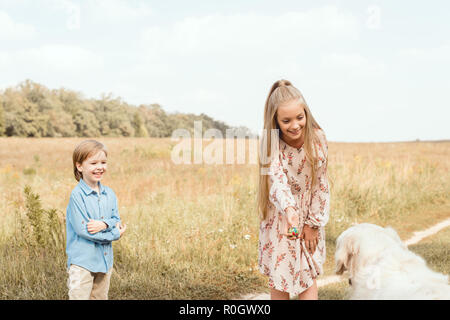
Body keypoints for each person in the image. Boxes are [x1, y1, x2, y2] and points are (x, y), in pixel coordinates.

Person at [257, 79, 330, 300]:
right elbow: (276, 179)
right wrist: (290, 211)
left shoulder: (317, 138)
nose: (295, 125)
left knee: (307, 272)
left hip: (309, 212)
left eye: (300, 117)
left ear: (306, 113)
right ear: (276, 121)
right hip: (281, 214)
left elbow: (321, 183)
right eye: (286, 120)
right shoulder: (271, 142)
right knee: (281, 276)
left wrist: (313, 223)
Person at [66, 139, 126, 300]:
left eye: (103, 162)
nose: (100, 167)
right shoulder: (77, 196)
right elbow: (84, 231)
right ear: (80, 166)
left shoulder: (110, 194)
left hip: (105, 259)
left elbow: (116, 220)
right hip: (83, 263)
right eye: (93, 163)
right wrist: (114, 234)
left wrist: (104, 223)